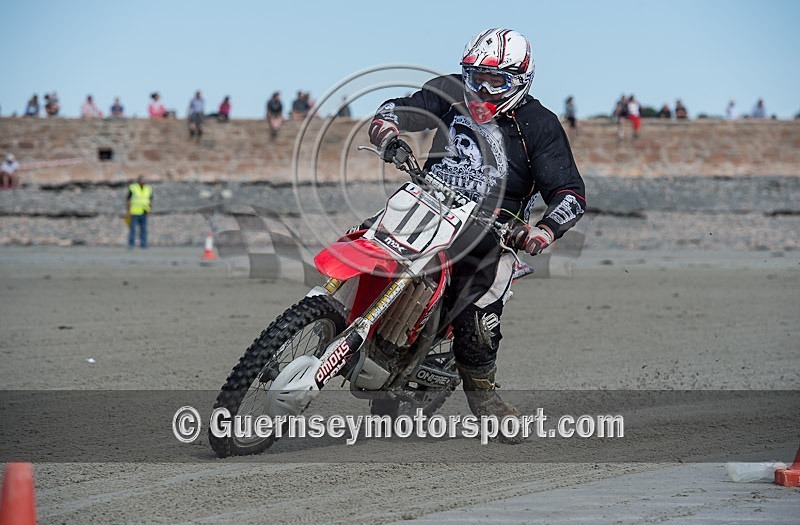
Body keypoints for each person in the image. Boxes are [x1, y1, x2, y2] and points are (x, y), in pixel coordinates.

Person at [367, 27, 586, 443]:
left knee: (480, 303)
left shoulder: (539, 124)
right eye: (475, 76)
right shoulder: (449, 91)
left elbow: (569, 193)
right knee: (367, 237)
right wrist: (387, 128)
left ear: (520, 81)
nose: (483, 88)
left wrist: (543, 230)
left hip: (495, 228)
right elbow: (402, 108)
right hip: (428, 200)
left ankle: (483, 395)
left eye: (496, 80)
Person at [126, 175, 153, 248]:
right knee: (133, 229)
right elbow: (128, 199)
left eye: (145, 180)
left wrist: (149, 209)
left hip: (144, 211)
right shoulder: (133, 187)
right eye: (142, 180)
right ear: (138, 181)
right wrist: (128, 210)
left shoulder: (148, 188)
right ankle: (131, 244)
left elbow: (150, 200)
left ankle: (143, 244)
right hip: (134, 211)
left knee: (144, 229)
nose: (143, 182)